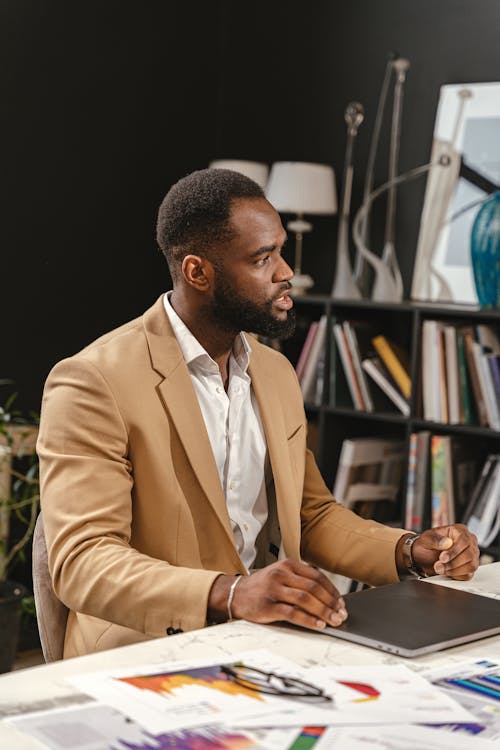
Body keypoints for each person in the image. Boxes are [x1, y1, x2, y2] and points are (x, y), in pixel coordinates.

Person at [37, 169, 479, 658]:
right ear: (197, 272)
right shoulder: (92, 381)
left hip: (264, 642)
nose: (285, 271)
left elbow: (309, 517)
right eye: (262, 258)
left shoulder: (275, 373)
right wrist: (230, 593)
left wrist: (410, 550)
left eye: (281, 250)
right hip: (139, 653)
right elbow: (84, 563)